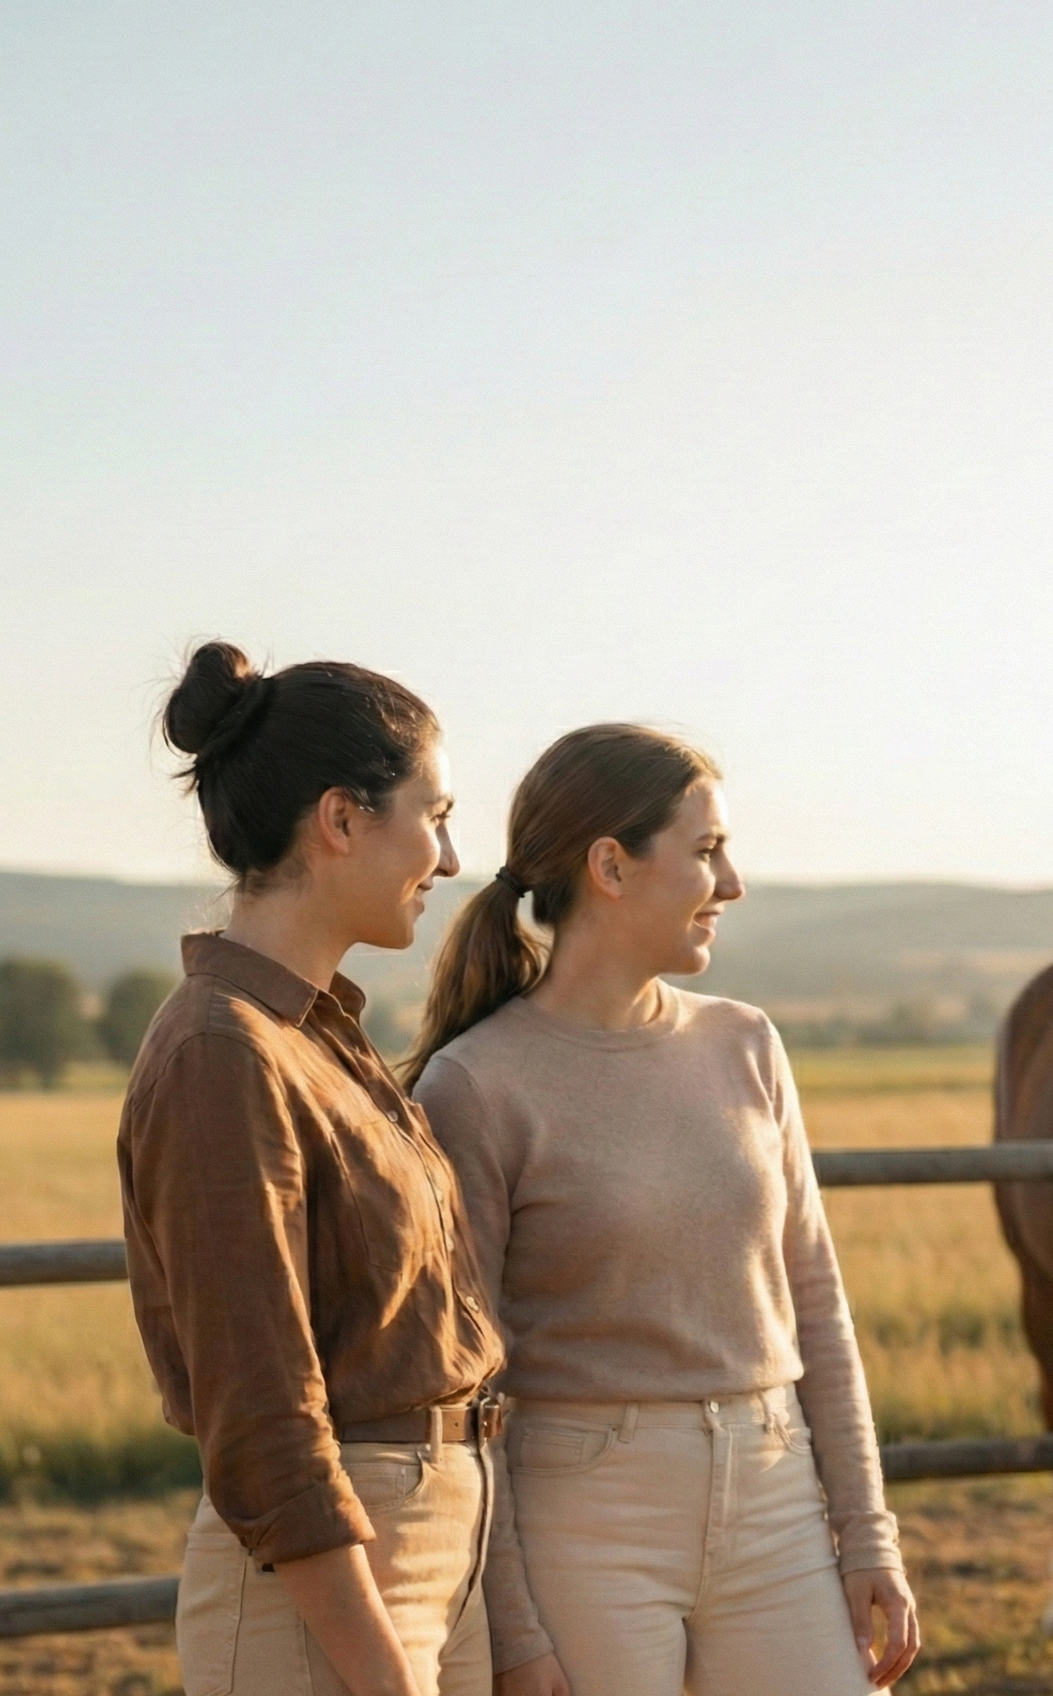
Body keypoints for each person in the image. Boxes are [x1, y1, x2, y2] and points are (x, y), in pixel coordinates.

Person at [407, 724, 920, 1696]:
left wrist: (867, 1537)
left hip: (775, 1496)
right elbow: (464, 1390)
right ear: (610, 863)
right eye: (705, 850)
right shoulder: (473, 1087)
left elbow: (815, 1303)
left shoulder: (746, 1045)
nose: (730, 884)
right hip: (583, 1519)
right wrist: (512, 1627)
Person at [117, 642, 505, 1696]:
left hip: (425, 1554)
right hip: (328, 1597)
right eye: (434, 814)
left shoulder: (313, 1036)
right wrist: (383, 1671)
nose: (454, 856)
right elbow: (262, 1408)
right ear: (341, 820)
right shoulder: (221, 1050)